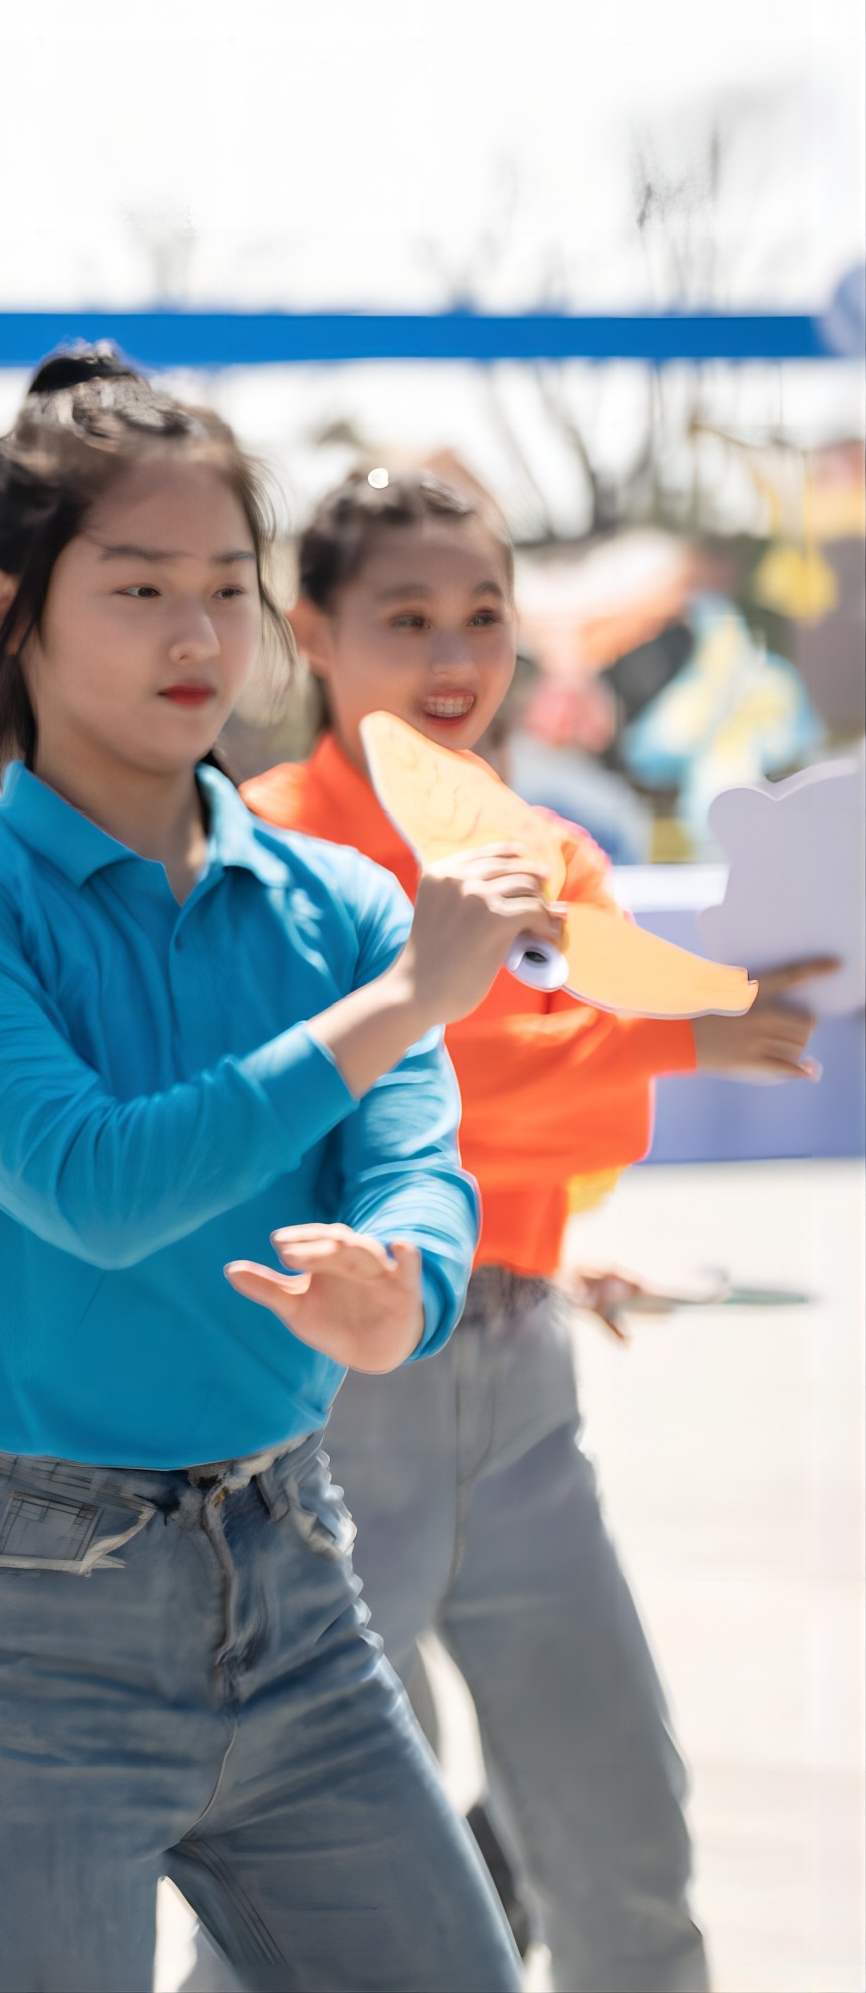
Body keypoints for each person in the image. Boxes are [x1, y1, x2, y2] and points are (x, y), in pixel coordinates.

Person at [0, 350, 538, 1993]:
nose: (194, 638)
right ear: (15, 606)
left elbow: (417, 1166)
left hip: (299, 1587)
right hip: (30, 1619)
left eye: (227, 589)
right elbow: (95, 1185)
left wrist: (404, 1295)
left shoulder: (342, 910)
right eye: (138, 587)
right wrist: (395, 1007)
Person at [173, 466, 831, 1992]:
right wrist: (665, 1041)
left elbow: (566, 1126)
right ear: (310, 634)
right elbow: (408, 1086)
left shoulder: (550, 853)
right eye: (403, 617)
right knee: (304, 1875)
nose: (451, 651)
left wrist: (561, 1184)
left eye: (480, 612)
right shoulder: (267, 850)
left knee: (619, 1839)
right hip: (327, 1410)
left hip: (521, 1389)